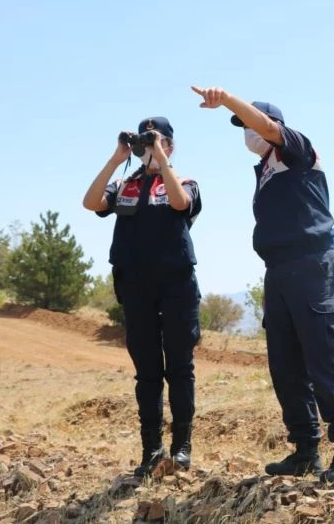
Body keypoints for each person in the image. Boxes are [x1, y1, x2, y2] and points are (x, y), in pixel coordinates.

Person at [191, 85, 334, 485]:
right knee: (285, 366)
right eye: (241, 128)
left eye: (247, 124)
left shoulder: (295, 150)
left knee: (323, 361)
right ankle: (306, 451)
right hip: (279, 272)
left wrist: (228, 100)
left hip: (310, 267)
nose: (246, 133)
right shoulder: (266, 169)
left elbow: (266, 126)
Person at [82, 117, 203, 478]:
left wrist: (160, 161)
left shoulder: (184, 182)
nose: (149, 147)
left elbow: (181, 205)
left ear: (170, 145)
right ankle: (151, 449)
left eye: (158, 140)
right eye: (145, 141)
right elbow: (90, 203)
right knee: (147, 371)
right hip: (136, 284)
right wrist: (117, 157)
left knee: (180, 367)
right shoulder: (124, 184)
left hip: (176, 283)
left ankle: (181, 447)